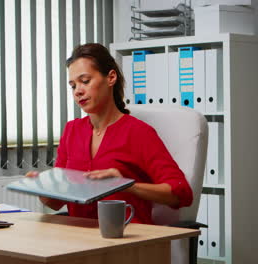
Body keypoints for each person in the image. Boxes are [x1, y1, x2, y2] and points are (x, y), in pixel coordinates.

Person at [26, 43, 192, 224]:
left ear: (111, 77)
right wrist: (42, 187)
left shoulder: (138, 133)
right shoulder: (72, 131)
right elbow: (55, 203)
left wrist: (128, 186)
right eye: (73, 86)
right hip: (78, 239)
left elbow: (181, 193)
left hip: (125, 240)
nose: (78, 91)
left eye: (85, 81)